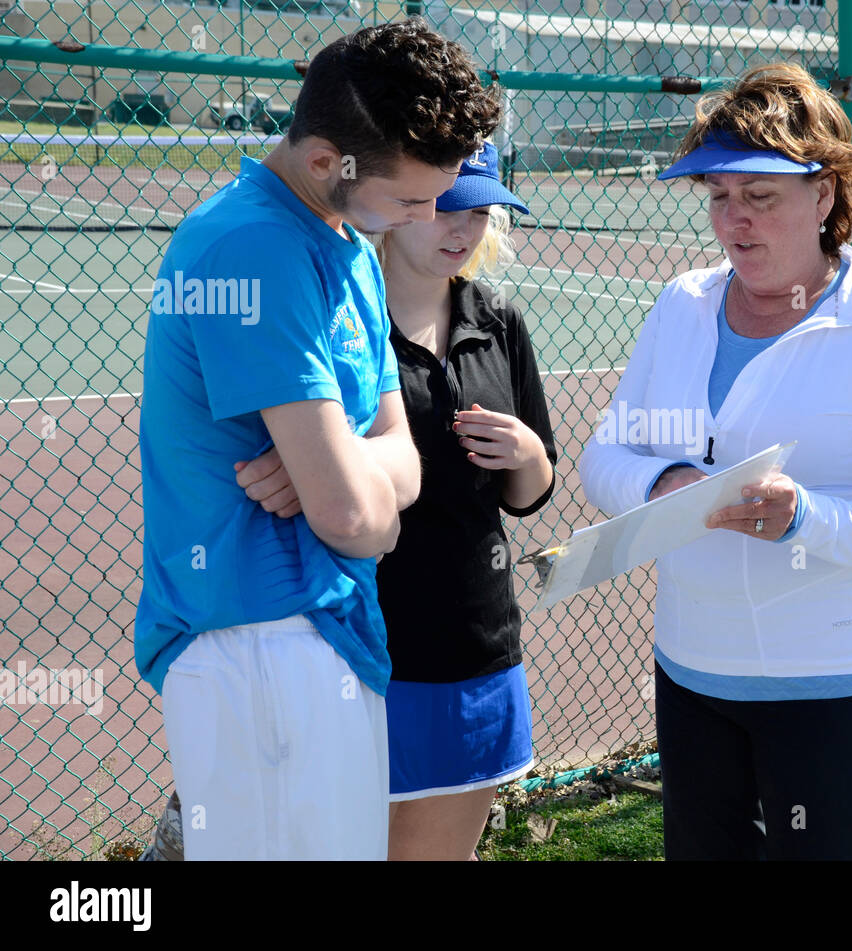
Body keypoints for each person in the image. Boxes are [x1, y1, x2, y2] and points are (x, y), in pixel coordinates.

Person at [133, 21, 501, 860]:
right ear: (327, 158)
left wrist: (348, 476)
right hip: (251, 641)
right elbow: (358, 517)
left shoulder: (347, 246)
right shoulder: (252, 246)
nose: (426, 217)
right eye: (411, 199)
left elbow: (398, 460)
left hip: (325, 628)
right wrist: (354, 489)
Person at [578, 62, 852, 861]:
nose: (733, 222)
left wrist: (806, 517)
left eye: (760, 198)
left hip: (833, 682)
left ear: (823, 195)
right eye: (719, 196)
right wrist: (663, 484)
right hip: (692, 672)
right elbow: (605, 454)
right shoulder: (681, 306)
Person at [372, 142, 556, 860]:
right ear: (397, 207)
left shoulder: (498, 321)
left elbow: (528, 494)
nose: (464, 229)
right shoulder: (346, 321)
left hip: (478, 645)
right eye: (447, 207)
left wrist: (529, 455)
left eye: (480, 213)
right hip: (373, 646)